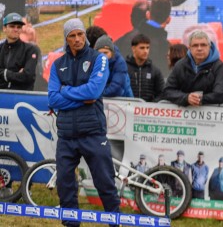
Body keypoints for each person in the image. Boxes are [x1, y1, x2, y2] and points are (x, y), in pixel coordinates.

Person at [47, 18, 120, 225]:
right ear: (66, 39)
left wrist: (66, 91)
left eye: (80, 34)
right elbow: (53, 99)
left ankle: (115, 222)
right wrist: (81, 98)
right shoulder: (58, 64)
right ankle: (71, 224)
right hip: (66, 136)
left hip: (93, 134)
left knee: (105, 183)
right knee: (65, 185)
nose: (77, 39)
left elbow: (94, 91)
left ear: (85, 36)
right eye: (72, 35)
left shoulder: (99, 59)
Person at [161, 29, 223, 106]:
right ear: (189, 48)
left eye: (203, 45)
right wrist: (186, 98)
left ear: (209, 47)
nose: (199, 48)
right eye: (195, 45)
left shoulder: (218, 66)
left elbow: (221, 94)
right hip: (184, 116)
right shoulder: (180, 65)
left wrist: (199, 99)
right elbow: (167, 91)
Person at [0, 12, 41, 91]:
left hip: (22, 97)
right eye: (12, 26)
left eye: (19, 27)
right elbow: (22, 77)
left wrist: (5, 73)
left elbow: (27, 77)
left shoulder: (31, 50)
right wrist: (17, 74)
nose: (16, 29)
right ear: (4, 28)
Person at [125, 33, 165, 102]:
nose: (146, 51)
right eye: (142, 48)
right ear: (133, 48)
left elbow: (162, 93)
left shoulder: (155, 71)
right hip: (126, 109)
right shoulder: (124, 68)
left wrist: (151, 105)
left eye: (147, 48)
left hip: (147, 111)